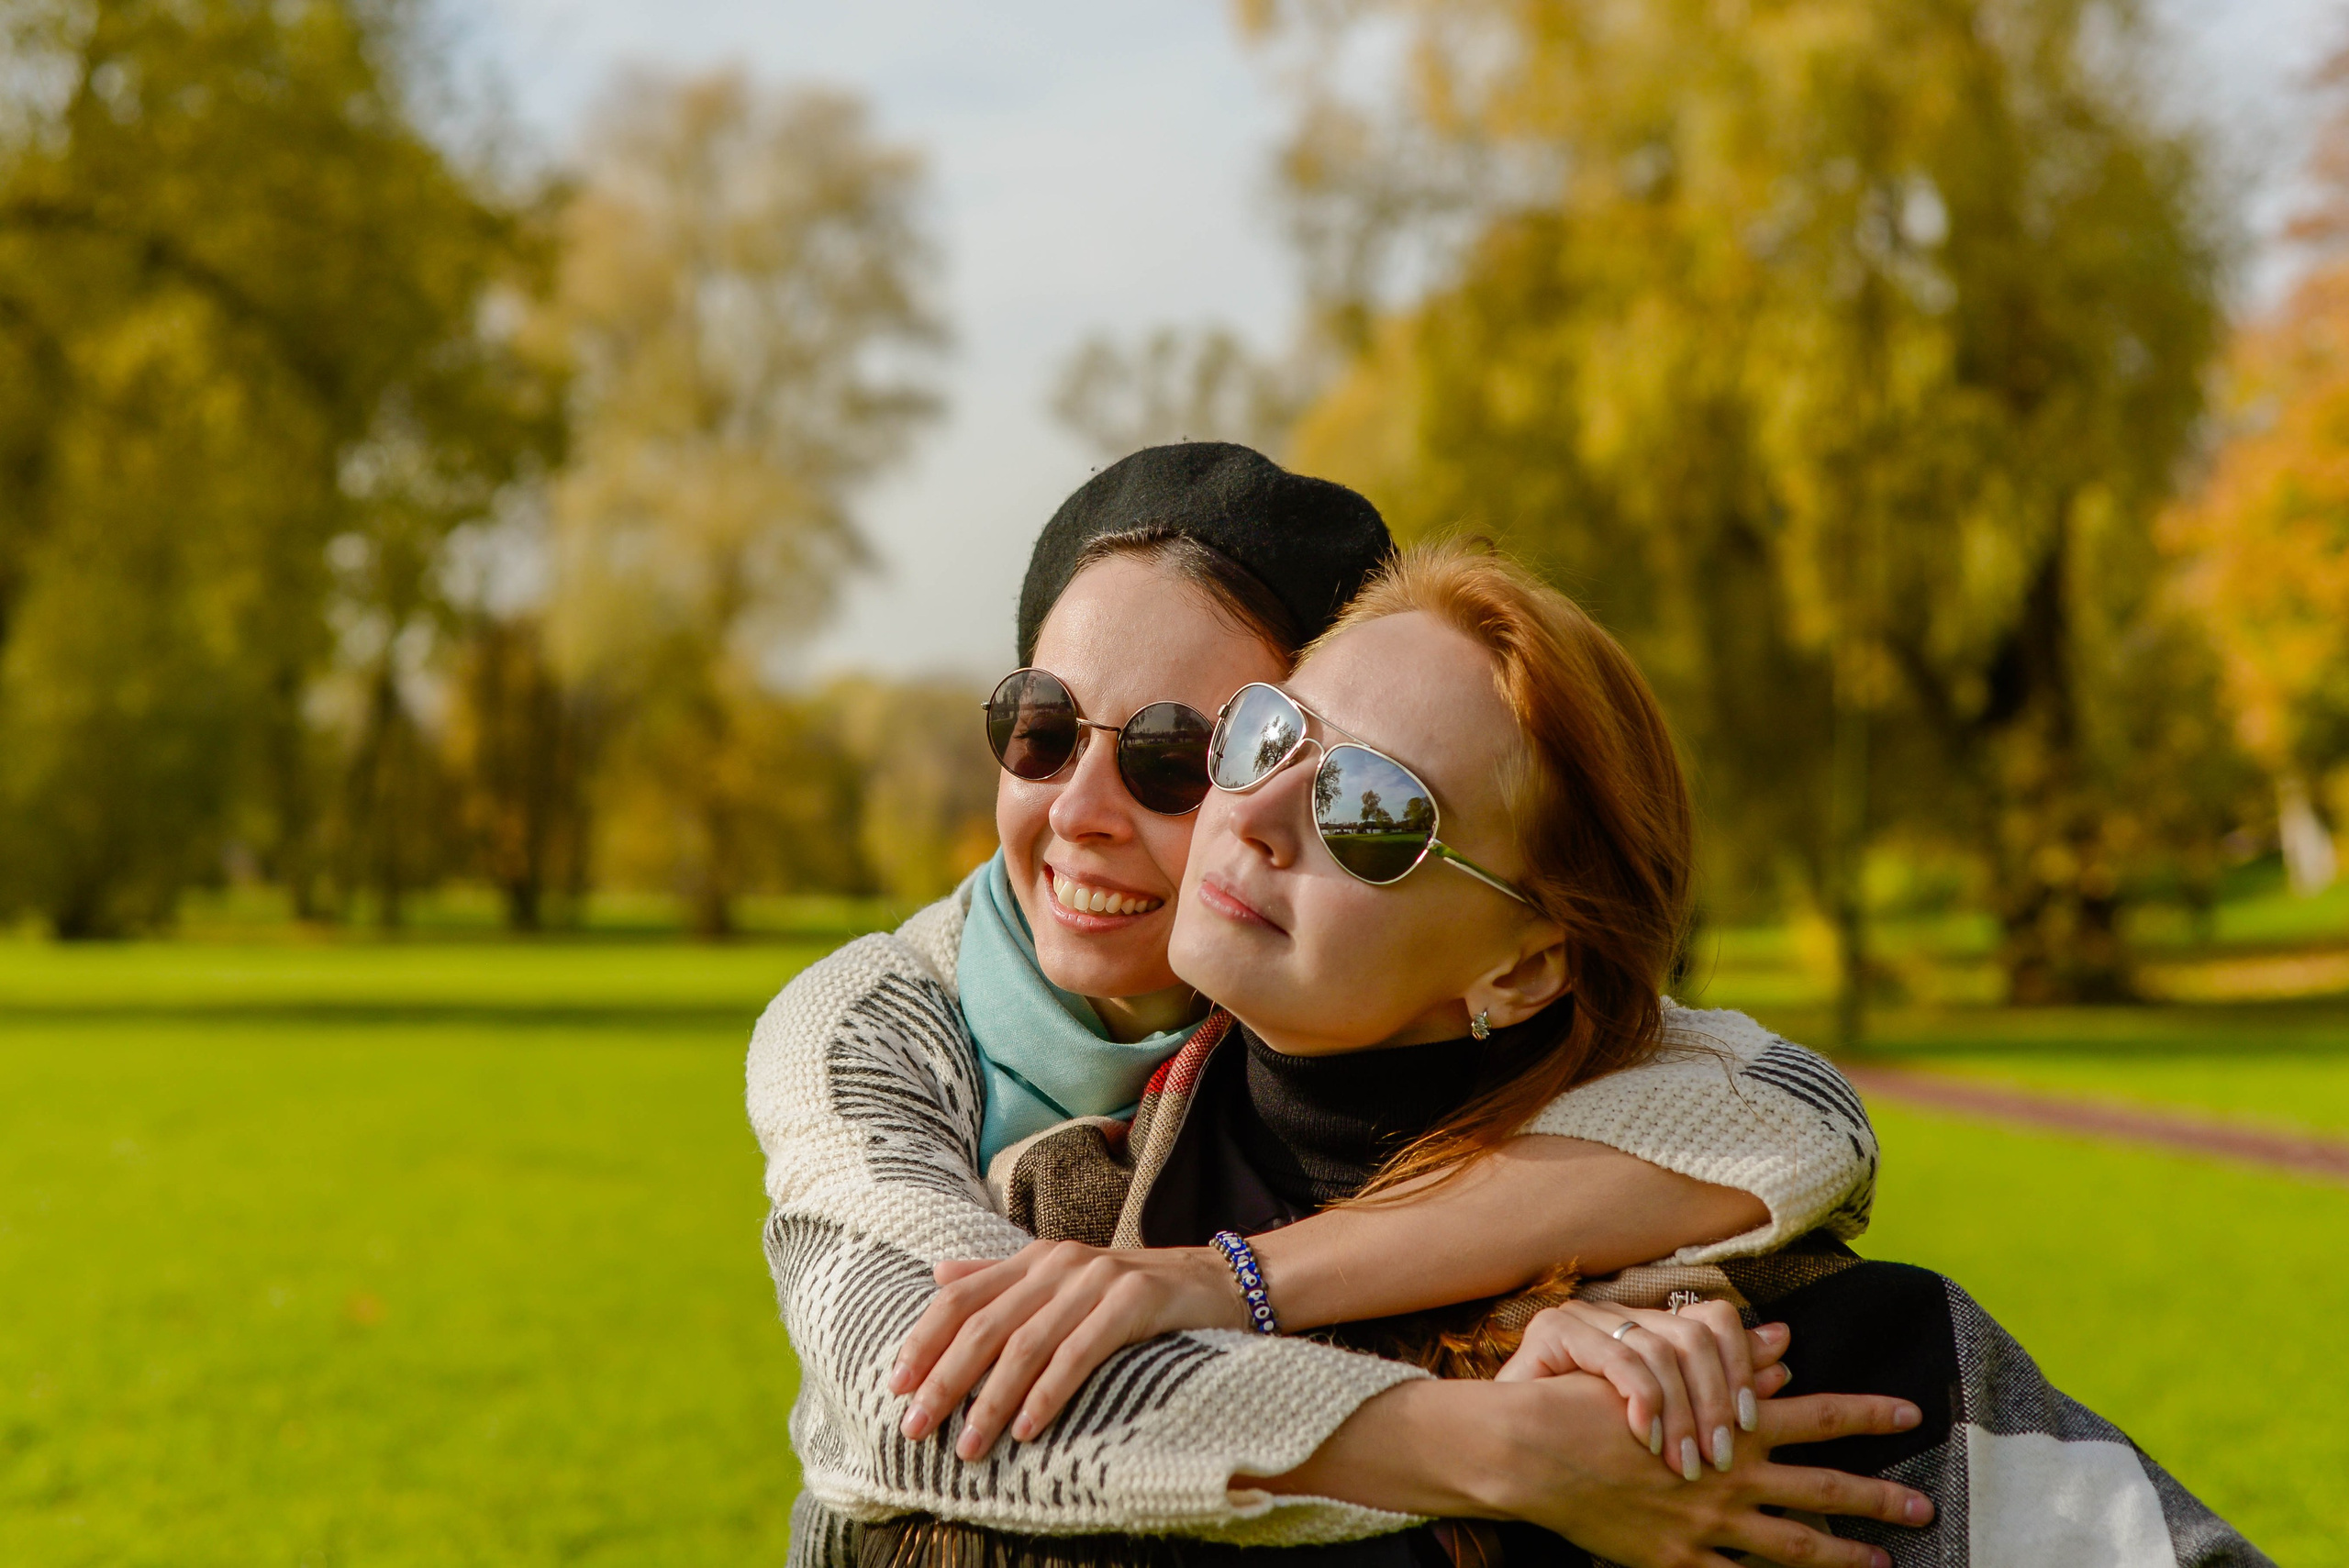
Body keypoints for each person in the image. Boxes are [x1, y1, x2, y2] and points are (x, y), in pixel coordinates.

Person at [893, 541, 2269, 1568]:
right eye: (1271, 733)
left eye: (1375, 812)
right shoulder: (1050, 1212)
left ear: (1523, 963)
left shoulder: (1749, 1349)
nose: (1259, 816)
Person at [747, 445, 1910, 1568]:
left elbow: (1794, 1118)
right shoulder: (869, 1023)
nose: (1080, 807)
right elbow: (922, 1387)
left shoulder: (1343, 1007)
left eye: (1175, 752)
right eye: (1039, 726)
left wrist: (1232, 1280)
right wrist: (1497, 1444)